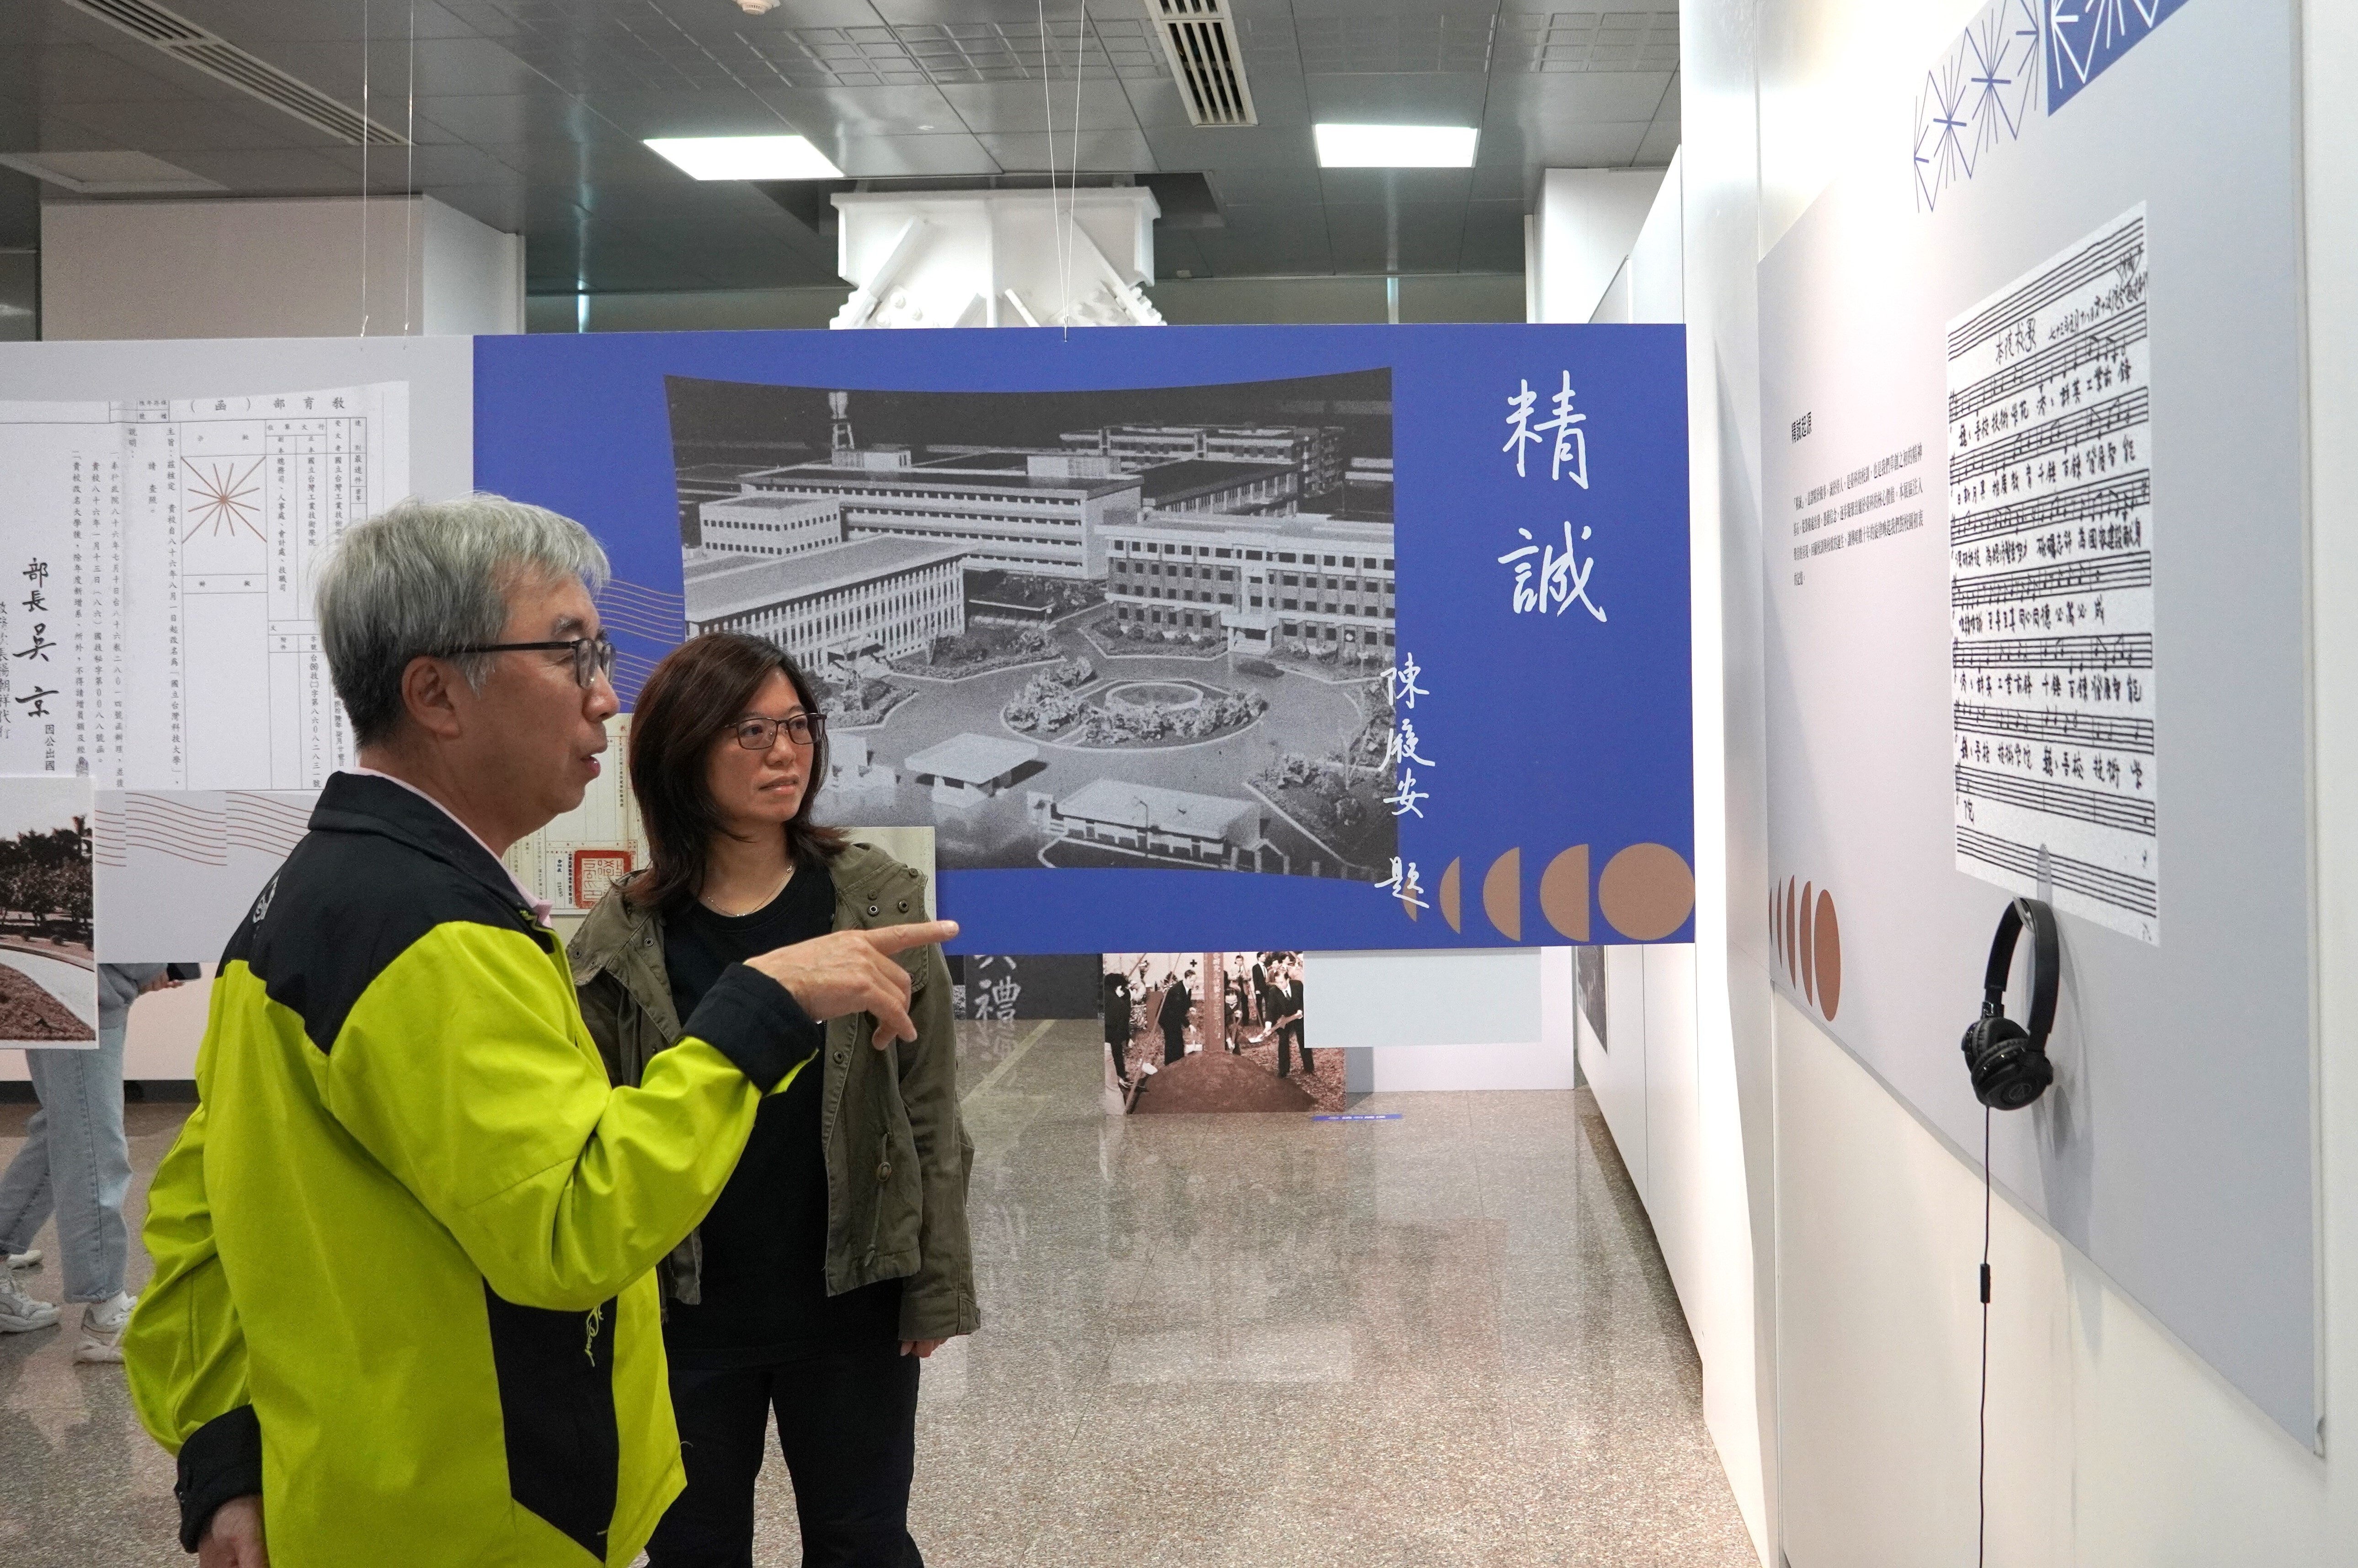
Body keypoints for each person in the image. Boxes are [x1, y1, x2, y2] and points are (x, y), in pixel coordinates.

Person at [120, 496, 955, 1568]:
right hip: (480, 1514)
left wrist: (225, 1450)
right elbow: (572, 1229)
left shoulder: (314, 898)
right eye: (570, 656)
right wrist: (760, 1009)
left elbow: (204, 1209)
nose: (606, 698)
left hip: (373, 1492)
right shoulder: (433, 935)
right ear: (436, 692)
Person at [570, 632, 976, 1568]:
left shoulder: (873, 901)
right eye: (750, 731)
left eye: (796, 725)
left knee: (862, 1539)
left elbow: (928, 1108)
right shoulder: (622, 935)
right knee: (693, 1547)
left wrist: (934, 1286)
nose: (785, 752)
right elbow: (599, 1132)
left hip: (851, 1300)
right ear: (682, 747)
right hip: (685, 1310)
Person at [0, 962, 188, 1360]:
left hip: (76, 986)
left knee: (67, 1126)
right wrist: (151, 965)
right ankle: (106, 1313)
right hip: (86, 987)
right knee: (91, 1138)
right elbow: (110, 902)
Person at [1272, 957, 1310, 1080]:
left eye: (1282, 982)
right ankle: (1283, 1070)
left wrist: (1301, 1011)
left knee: (1304, 1041)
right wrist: (1269, 1025)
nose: (1280, 985)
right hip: (1285, 1020)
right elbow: (1270, 1010)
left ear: (1288, 979)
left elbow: (1306, 1000)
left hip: (1299, 1017)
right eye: (1277, 982)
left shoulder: (1298, 985)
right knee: (1283, 1042)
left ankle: (1309, 1067)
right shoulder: (1274, 991)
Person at [1102, 961, 1135, 1089]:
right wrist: (1127, 1039)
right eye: (1123, 990)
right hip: (1112, 1037)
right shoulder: (1118, 1003)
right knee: (1116, 1056)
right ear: (1119, 988)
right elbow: (1122, 1024)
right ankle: (1120, 1079)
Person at [1158, 962, 1192, 1066]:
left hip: (1174, 1017)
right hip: (1167, 1018)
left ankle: (1179, 1062)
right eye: (1191, 981)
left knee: (1178, 1040)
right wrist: (1189, 1025)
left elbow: (1186, 1004)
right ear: (1186, 979)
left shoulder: (1187, 989)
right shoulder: (1177, 991)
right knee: (1172, 1040)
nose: (1193, 983)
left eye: (1195, 981)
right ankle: (1170, 1065)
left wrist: (1191, 1008)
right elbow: (1178, 1011)